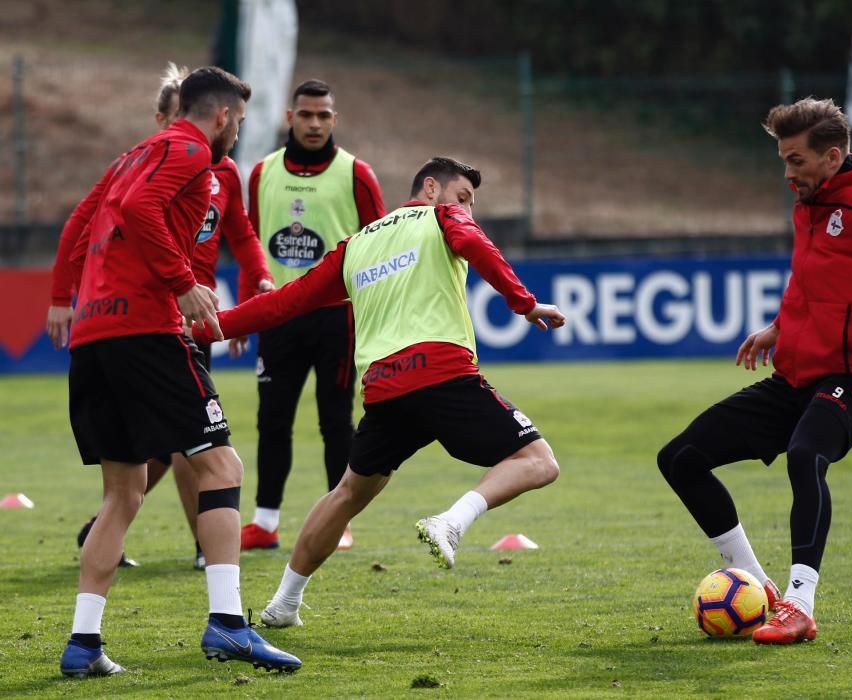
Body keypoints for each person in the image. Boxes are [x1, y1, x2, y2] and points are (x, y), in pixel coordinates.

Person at [193, 157, 564, 628]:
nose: (467, 210)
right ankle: (452, 521)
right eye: (463, 197)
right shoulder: (442, 217)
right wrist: (525, 303)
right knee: (538, 461)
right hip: (442, 374)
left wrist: (214, 326)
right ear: (431, 188)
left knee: (348, 491)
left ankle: (284, 603)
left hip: (385, 390)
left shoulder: (356, 245)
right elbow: (472, 241)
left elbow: (286, 301)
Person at [657, 97, 852, 645]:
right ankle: (763, 590)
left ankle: (801, 605)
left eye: (796, 161)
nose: (787, 174)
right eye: (783, 160)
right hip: (795, 379)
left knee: (806, 455)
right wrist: (779, 327)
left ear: (832, 157)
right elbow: (813, 280)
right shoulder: (807, 203)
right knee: (680, 458)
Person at [58, 66, 300, 678]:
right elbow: (142, 210)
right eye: (240, 122)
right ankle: (228, 626)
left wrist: (65, 295)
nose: (238, 133)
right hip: (146, 328)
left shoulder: (132, 155)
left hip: (94, 334)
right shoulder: (192, 150)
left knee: (124, 492)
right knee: (222, 465)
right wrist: (182, 283)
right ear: (221, 115)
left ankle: (83, 642)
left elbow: (83, 221)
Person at [240, 78, 385, 552]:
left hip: (336, 319)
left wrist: (375, 316)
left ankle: (337, 521)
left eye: (324, 115)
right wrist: (247, 312)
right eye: (306, 114)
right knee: (272, 421)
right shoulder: (261, 173)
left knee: (335, 421)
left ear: (334, 120)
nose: (315, 123)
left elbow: (381, 247)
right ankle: (264, 522)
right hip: (279, 315)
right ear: (290, 117)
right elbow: (252, 246)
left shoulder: (356, 174)